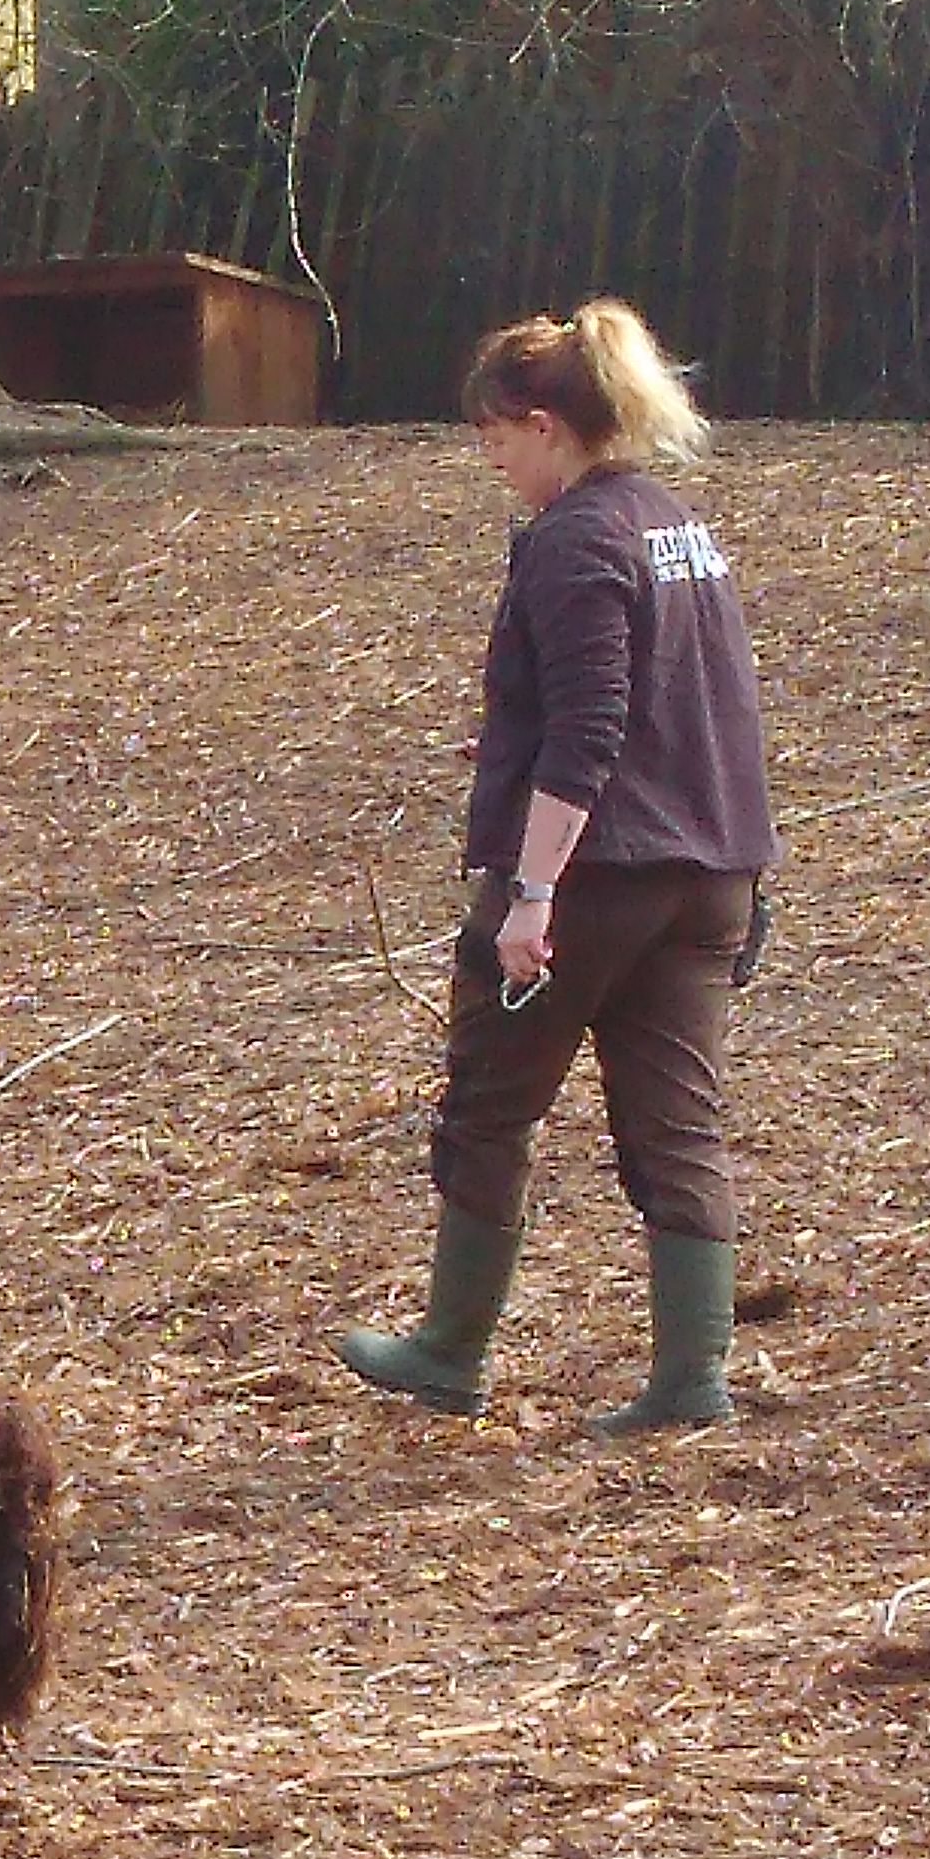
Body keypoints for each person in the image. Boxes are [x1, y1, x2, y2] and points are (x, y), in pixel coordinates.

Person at [337, 297, 778, 1435]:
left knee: (489, 1105)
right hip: (707, 871)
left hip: (597, 876)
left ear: (543, 423)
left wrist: (528, 894)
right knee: (677, 1122)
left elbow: (587, 730)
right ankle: (691, 1379)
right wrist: (746, 864)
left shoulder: (577, 543)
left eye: (494, 441)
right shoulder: (676, 524)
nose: (492, 465)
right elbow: (721, 707)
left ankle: (447, 1351)